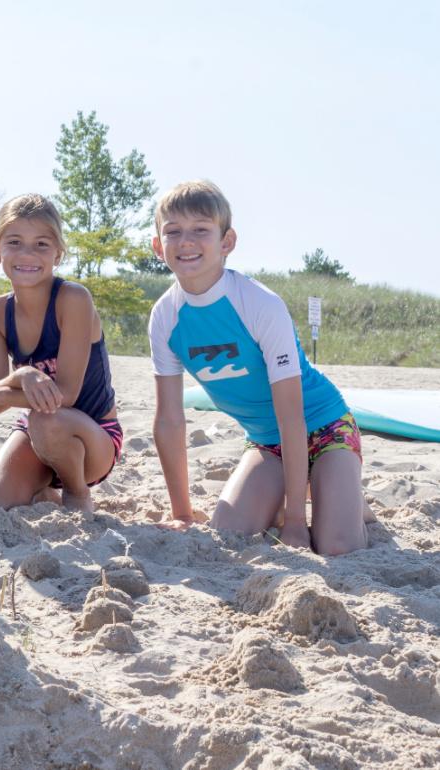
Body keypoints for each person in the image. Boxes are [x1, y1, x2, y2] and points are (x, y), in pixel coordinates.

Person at [148, 180, 366, 555]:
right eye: (173, 232)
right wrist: (182, 512)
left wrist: (296, 523)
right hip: (268, 443)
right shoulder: (165, 317)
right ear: (157, 246)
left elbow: (292, 415)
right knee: (228, 535)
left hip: (325, 427)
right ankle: (315, 489)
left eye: (201, 230)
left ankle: (345, 497)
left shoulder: (259, 304)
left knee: (336, 546)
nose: (186, 241)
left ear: (226, 242)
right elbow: (169, 419)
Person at [0, 194, 121, 513]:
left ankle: (76, 493)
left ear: (58, 254)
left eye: (41, 244)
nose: (27, 254)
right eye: (14, 242)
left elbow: (67, 396)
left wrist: (9, 385)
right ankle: (44, 492)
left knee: (46, 418)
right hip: (36, 435)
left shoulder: (73, 299)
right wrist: (20, 376)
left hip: (93, 439)